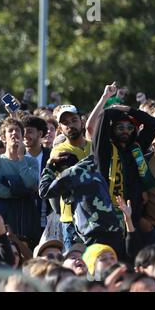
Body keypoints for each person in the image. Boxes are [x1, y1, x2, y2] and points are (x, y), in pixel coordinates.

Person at [89, 84, 155, 239]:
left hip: (133, 215)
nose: (125, 131)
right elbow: (101, 121)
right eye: (120, 127)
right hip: (107, 214)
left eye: (129, 128)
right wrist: (111, 108)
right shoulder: (104, 150)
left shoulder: (137, 148)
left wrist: (128, 109)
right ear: (112, 130)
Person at [0, 117, 40, 244]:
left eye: (17, 130)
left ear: (23, 137)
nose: (14, 133)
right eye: (10, 131)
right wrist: (22, 192)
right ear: (2, 138)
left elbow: (31, 183)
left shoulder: (31, 161)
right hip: (2, 213)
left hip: (26, 214)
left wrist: (21, 158)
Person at [49, 105, 92, 252]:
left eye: (74, 120)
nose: (71, 125)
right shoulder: (59, 151)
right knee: (75, 266)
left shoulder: (95, 147)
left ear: (82, 122)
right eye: (65, 123)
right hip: (72, 218)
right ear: (60, 128)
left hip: (97, 214)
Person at [22, 115, 52, 232]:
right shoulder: (16, 156)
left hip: (46, 219)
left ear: (40, 134)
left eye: (29, 131)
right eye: (23, 131)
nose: (25, 135)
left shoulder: (51, 156)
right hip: (21, 216)